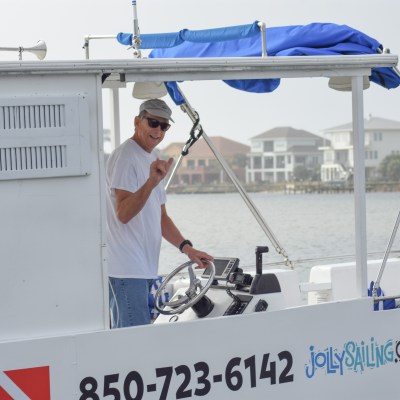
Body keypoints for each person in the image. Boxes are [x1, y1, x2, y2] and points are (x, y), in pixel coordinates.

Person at [106, 98, 213, 328]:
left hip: (143, 269)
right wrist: (151, 182)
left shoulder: (153, 158)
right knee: (134, 341)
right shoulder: (126, 157)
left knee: (137, 336)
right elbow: (123, 213)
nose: (158, 130)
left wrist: (187, 248)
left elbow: (161, 217)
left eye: (164, 126)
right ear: (137, 121)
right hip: (126, 269)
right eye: (153, 122)